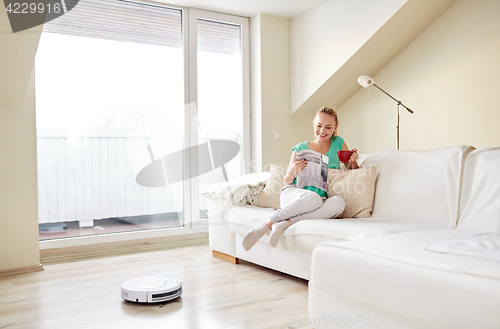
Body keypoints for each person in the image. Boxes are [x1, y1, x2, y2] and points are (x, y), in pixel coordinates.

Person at [242, 106, 359, 251]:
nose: (322, 131)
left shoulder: (339, 143)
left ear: (335, 127)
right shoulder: (300, 148)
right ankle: (266, 225)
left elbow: (353, 171)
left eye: (328, 127)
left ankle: (285, 223)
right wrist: (292, 172)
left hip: (318, 200)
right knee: (314, 198)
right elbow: (287, 182)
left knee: (339, 203)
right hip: (293, 194)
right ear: (314, 125)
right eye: (319, 126)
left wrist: (353, 161)